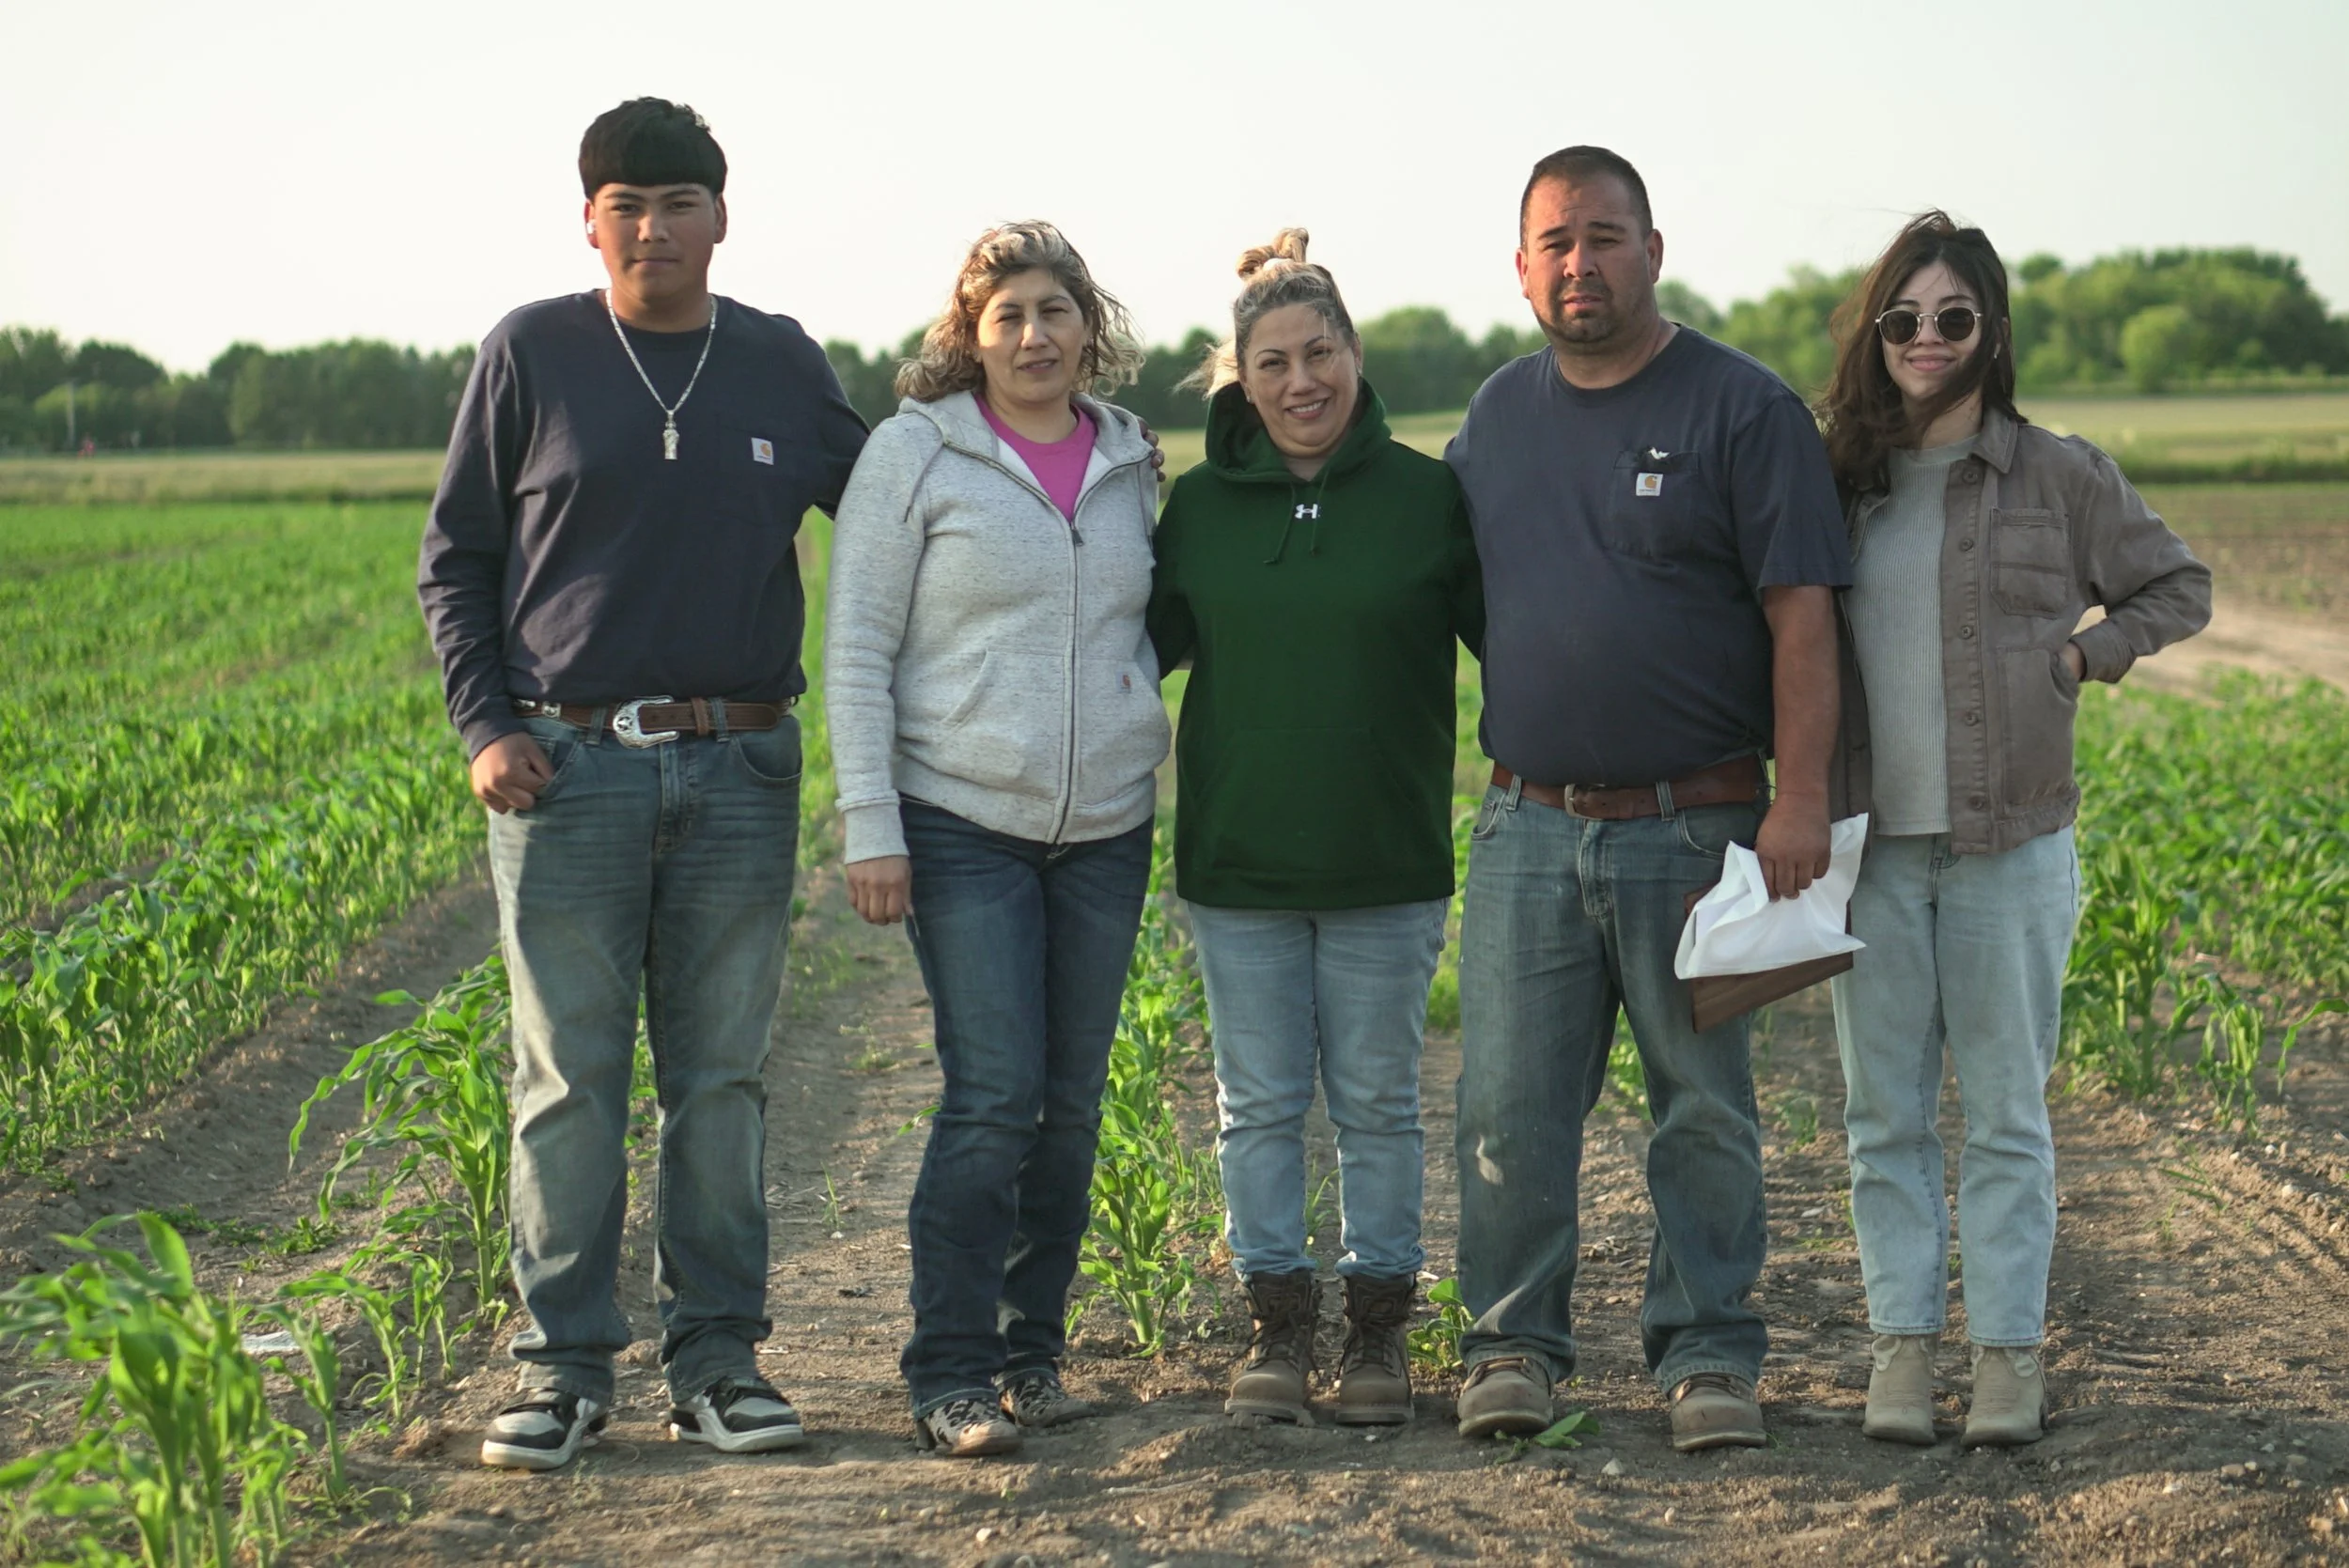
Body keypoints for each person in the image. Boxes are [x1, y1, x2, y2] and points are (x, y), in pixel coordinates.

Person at [419, 99, 867, 1470]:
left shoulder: (780, 362)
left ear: (721, 218)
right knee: (568, 1081)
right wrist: (485, 723)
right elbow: (456, 558)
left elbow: (896, 507)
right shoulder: (533, 353)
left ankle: (717, 1363)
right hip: (567, 772)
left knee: (720, 1081)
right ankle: (561, 1372)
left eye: (679, 203)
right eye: (627, 204)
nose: (653, 227)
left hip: (741, 765)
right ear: (589, 221)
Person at [1443, 146, 1852, 1452]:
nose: (1581, 264)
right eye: (1556, 243)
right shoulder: (1495, 417)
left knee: (1705, 1108)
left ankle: (1710, 1353)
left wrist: (1797, 800)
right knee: (1508, 1109)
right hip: (1525, 827)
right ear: (1521, 269)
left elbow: (1802, 618)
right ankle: (1511, 1345)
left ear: (1654, 251)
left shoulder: (1744, 408)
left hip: (1700, 827)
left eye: (1605, 237)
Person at [1817, 212, 2210, 1449]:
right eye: (1903, 319)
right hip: (1872, 853)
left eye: (1952, 317)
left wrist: (2086, 656)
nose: (1925, 339)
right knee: (1883, 1118)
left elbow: (2177, 584)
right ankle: (1900, 1351)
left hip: (2014, 848)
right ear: (1877, 335)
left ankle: (2004, 1360)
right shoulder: (1839, 481)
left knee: (2004, 1116)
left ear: (1990, 331)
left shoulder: (2059, 474)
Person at [824, 222, 1169, 1458]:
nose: (1033, 334)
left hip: (1106, 826)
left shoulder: (1130, 457)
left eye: (1054, 310)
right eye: (1007, 314)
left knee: (1068, 1110)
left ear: (1090, 326)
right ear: (970, 334)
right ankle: (952, 1369)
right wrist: (872, 823)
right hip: (960, 817)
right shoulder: (917, 453)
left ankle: (1033, 1356)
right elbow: (856, 647)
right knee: (994, 1097)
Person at [1147, 231, 1483, 1428]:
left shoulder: (1428, 498)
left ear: (1355, 354)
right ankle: (1278, 1327)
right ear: (1238, 379)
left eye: (1320, 354)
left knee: (1380, 1104)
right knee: (1257, 1104)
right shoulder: (1197, 507)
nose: (1301, 382)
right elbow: (1129, 652)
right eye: (1274, 363)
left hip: (1384, 861)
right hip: (1238, 864)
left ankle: (1378, 1333)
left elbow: (1522, 646)